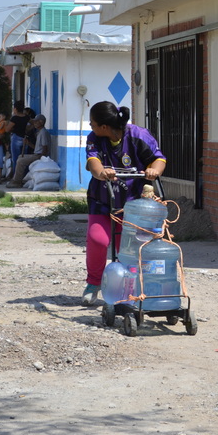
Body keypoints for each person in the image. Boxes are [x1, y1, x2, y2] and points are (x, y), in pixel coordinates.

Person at [82, 102, 166, 306]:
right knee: (98, 239)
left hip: (133, 204)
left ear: (104, 126)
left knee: (127, 248)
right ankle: (94, 283)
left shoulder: (139, 136)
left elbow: (158, 159)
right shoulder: (95, 138)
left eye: (92, 123)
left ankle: (129, 288)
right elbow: (93, 162)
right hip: (102, 199)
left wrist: (154, 171)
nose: (91, 127)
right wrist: (102, 172)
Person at [6, 114, 51, 188]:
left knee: (21, 161)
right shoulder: (39, 132)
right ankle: (17, 179)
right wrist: (28, 143)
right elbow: (37, 148)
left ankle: (17, 181)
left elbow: (44, 148)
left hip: (39, 155)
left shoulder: (43, 133)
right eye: (34, 122)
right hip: (37, 154)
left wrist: (41, 159)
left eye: (36, 122)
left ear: (41, 122)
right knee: (20, 157)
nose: (34, 123)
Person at [4, 100, 30, 179]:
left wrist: (5, 124)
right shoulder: (26, 117)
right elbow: (33, 123)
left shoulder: (15, 118)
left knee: (15, 159)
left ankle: (16, 178)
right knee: (23, 159)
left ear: (15, 109)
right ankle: (24, 176)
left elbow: (7, 130)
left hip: (16, 139)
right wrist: (27, 130)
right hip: (24, 139)